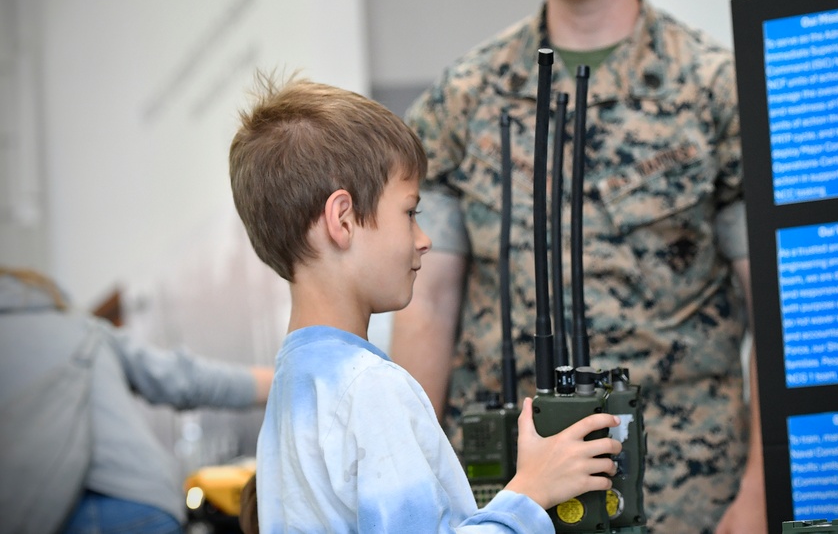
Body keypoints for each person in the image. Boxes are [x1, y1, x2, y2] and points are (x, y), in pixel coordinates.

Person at [390, 0, 765, 532]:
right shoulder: (466, 97)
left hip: (680, 499)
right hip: (505, 501)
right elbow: (428, 307)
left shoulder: (715, 90)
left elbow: (778, 306)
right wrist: (414, 491)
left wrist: (760, 489)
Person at [229, 73, 623, 533]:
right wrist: (530, 493)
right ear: (342, 219)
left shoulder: (292, 388)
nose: (424, 239)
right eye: (410, 212)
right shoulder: (371, 390)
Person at [0, 267, 273, 534]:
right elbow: (182, 378)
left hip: (37, 515)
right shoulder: (82, 328)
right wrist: (284, 378)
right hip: (139, 503)